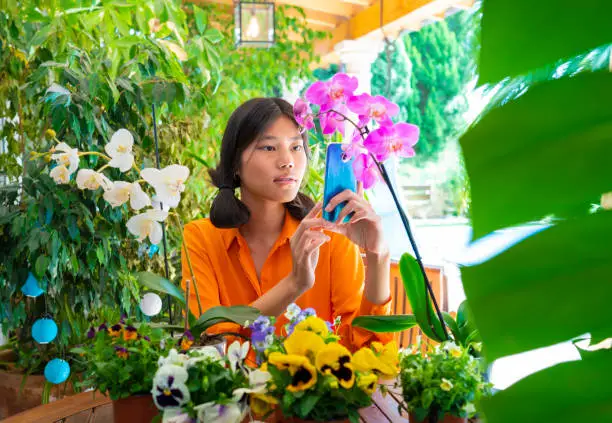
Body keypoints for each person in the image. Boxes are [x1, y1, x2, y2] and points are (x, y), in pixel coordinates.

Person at [181, 97, 393, 351]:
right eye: (269, 148)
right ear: (235, 163)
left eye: (296, 147)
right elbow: (208, 345)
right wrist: (294, 284)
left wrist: (378, 255)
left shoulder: (332, 237)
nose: (287, 161)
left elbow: (366, 348)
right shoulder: (201, 238)